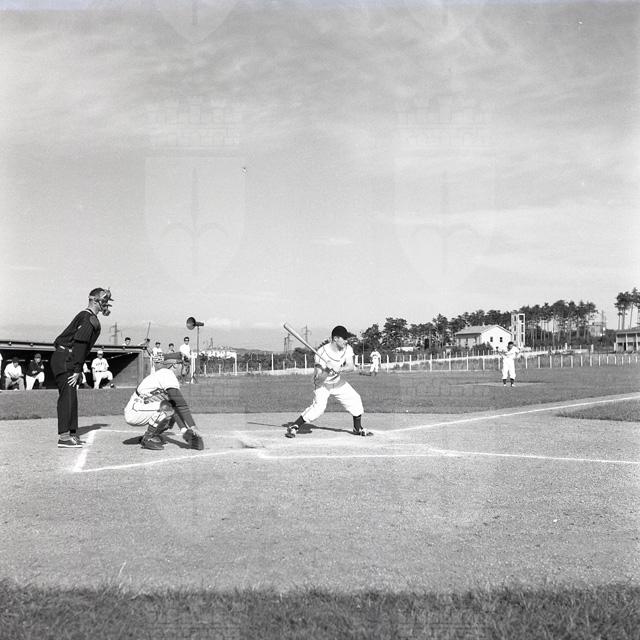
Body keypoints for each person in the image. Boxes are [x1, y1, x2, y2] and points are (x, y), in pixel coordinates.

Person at [50, 287, 114, 448]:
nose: (106, 304)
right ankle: (64, 437)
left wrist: (76, 366)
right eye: (104, 300)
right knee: (68, 396)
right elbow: (80, 344)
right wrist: (78, 369)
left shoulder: (87, 316)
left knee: (71, 396)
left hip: (67, 357)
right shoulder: (88, 317)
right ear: (95, 300)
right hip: (66, 357)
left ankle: (71, 434)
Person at [285, 325, 372, 438]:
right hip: (323, 385)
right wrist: (327, 369)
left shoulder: (347, 348)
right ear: (335, 338)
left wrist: (339, 368)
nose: (346, 341)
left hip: (337, 382)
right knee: (318, 409)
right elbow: (318, 379)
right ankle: (295, 426)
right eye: (344, 338)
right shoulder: (321, 353)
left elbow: (351, 366)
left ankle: (357, 428)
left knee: (354, 399)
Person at [124, 352, 204, 451]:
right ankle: (148, 438)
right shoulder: (167, 375)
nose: (185, 367)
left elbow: (175, 405)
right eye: (182, 364)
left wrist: (184, 430)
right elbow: (181, 404)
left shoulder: (165, 375)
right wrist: (193, 426)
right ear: (174, 365)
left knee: (170, 407)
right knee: (167, 408)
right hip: (135, 410)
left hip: (141, 407)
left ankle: (154, 434)